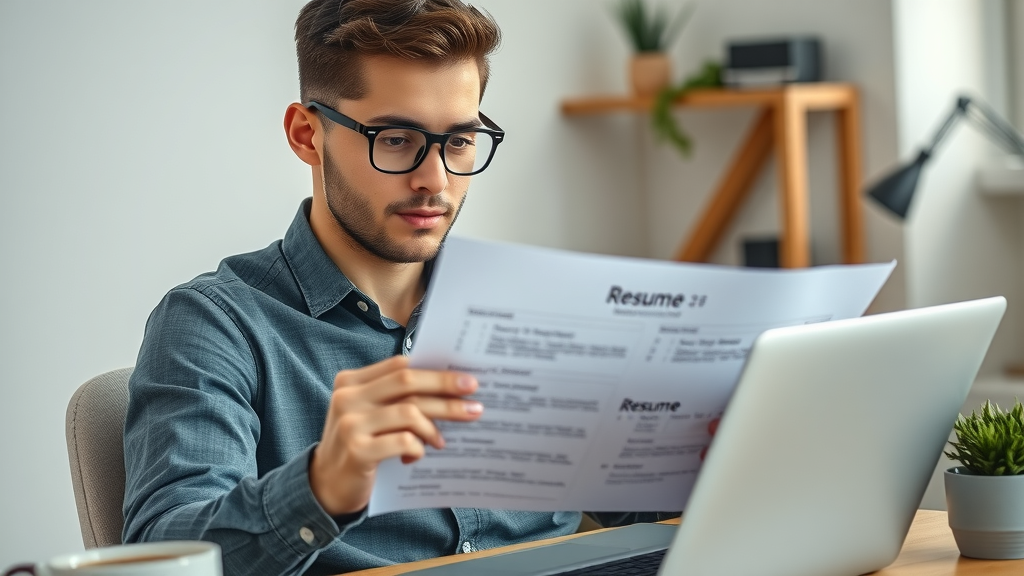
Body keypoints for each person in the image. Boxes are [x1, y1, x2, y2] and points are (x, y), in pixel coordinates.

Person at [122, 2, 672, 575]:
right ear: (308, 135)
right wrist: (321, 486)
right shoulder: (215, 326)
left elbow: (649, 519)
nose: (434, 179)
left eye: (459, 142)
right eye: (395, 139)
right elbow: (162, 557)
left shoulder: (535, 309)